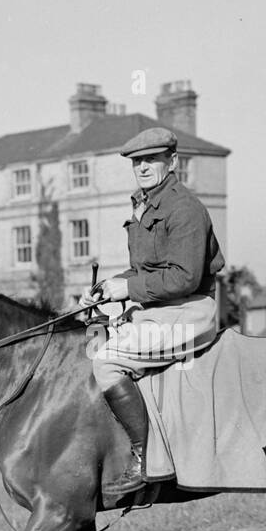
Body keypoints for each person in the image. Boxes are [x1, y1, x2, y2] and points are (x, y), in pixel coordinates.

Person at [90, 126, 225, 496]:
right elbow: (143, 271)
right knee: (88, 339)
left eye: (152, 159)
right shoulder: (145, 205)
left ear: (172, 161)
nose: (144, 167)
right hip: (159, 310)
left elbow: (184, 277)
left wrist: (128, 288)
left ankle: (143, 459)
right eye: (137, 162)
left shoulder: (185, 209)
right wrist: (106, 290)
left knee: (106, 361)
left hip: (189, 310)